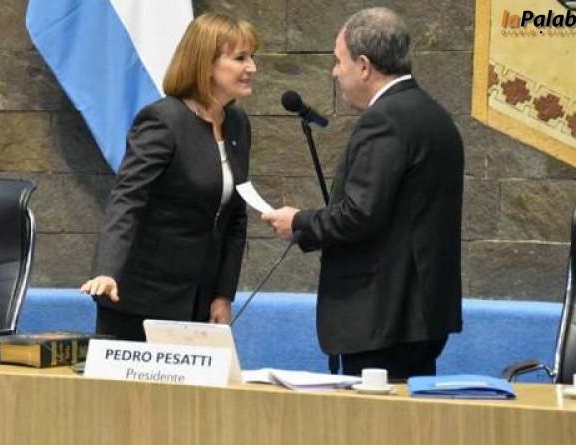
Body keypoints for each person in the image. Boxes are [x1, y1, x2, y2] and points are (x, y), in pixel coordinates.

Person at [262, 7, 463, 380]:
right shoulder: (434, 115)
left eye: (339, 61)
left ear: (365, 65)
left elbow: (360, 214)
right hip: (420, 316)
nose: (335, 72)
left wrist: (299, 221)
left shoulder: (384, 119)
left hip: (382, 318)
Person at [80, 14, 258, 341]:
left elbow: (235, 217)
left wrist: (223, 294)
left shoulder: (237, 124)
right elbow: (127, 200)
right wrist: (106, 270)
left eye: (251, 57)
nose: (252, 67)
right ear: (205, 64)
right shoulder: (163, 120)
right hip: (142, 299)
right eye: (240, 58)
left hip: (201, 303)